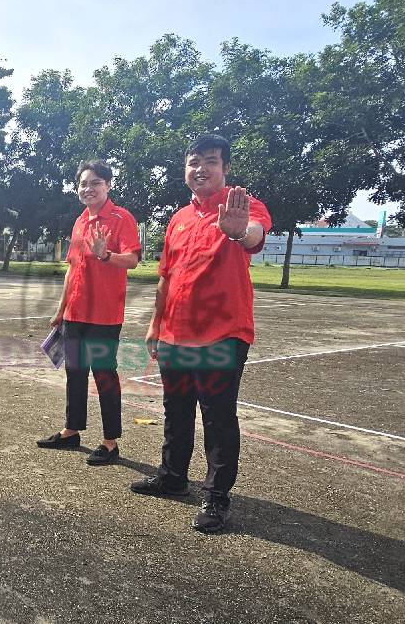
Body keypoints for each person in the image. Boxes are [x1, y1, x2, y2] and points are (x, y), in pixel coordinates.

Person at [130, 134, 272, 533]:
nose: (201, 169)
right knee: (175, 410)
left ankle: (216, 496)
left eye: (211, 161)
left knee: (217, 415)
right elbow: (165, 277)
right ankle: (173, 477)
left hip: (223, 332)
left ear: (225, 168)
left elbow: (255, 234)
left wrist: (240, 231)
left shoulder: (243, 205)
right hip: (176, 331)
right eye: (194, 161)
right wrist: (155, 325)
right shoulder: (178, 218)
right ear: (185, 169)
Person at [37, 160, 141, 465]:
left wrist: (106, 255)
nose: (88, 188)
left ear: (108, 185)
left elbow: (133, 260)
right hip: (76, 311)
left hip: (105, 314)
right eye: (83, 183)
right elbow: (72, 269)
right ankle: (72, 431)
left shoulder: (122, 218)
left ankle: (110, 442)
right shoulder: (80, 221)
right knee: (75, 372)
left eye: (95, 182)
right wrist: (61, 308)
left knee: (104, 375)